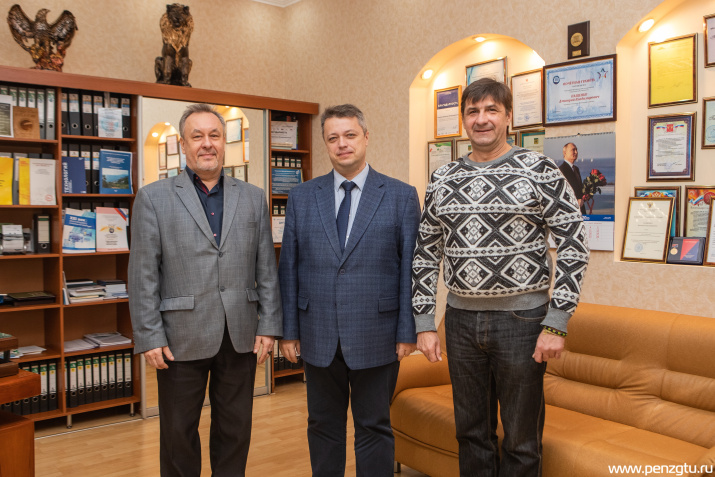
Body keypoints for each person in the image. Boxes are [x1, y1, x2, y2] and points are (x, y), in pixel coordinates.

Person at [412, 79, 589, 476]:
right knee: (471, 434)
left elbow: (574, 245)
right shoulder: (442, 178)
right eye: (473, 111)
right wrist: (424, 322)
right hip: (459, 321)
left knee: (521, 441)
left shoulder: (540, 170)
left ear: (509, 116)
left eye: (492, 109)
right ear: (463, 120)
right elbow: (425, 252)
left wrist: (557, 323)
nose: (482, 119)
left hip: (523, 322)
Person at [128, 103, 282, 477]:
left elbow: (266, 268)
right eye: (197, 136)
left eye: (214, 135)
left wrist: (269, 325)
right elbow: (143, 275)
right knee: (178, 434)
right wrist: (149, 336)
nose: (207, 143)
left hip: (240, 334)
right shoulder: (153, 197)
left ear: (224, 141)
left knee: (235, 431)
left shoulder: (253, 197)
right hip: (179, 336)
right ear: (183, 145)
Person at [278, 104, 421, 477]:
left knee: (374, 426)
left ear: (366, 137)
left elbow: (411, 269)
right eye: (333, 138)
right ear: (326, 144)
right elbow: (289, 267)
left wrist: (407, 331)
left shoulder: (401, 196)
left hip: (378, 333)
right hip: (317, 332)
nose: (342, 144)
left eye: (350, 135)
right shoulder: (302, 197)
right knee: (322, 424)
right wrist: (288, 331)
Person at [559, 142, 586, 214]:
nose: (576, 152)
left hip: (580, 210)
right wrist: (575, 202)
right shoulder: (561, 170)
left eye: (576, 150)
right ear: (565, 153)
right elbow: (561, 193)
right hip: (570, 211)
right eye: (573, 150)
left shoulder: (576, 169)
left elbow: (578, 189)